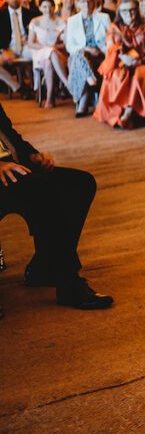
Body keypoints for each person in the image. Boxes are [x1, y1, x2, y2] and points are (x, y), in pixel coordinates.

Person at [0, 101, 113, 310]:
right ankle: (68, 282)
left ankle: (45, 265)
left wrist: (32, 156)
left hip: (12, 172)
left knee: (80, 184)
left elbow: (8, 136)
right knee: (44, 191)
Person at [94, 0, 145, 128]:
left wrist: (138, 60)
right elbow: (111, 47)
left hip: (141, 62)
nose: (128, 14)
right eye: (124, 11)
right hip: (120, 62)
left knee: (141, 74)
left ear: (137, 10)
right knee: (118, 76)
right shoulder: (114, 27)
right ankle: (119, 112)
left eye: (132, 10)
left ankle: (128, 111)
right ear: (119, 12)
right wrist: (123, 57)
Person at [65, 0, 111, 117]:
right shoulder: (72, 21)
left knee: (79, 61)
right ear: (78, 3)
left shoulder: (103, 17)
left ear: (93, 2)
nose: (86, 4)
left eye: (89, 0)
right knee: (79, 56)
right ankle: (90, 78)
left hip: (100, 55)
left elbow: (110, 40)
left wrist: (103, 50)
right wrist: (88, 49)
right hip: (81, 54)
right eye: (83, 1)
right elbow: (70, 46)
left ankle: (82, 104)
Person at [24, 0, 70, 108]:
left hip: (58, 53)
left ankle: (50, 98)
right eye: (44, 6)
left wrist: (53, 47)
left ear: (54, 7)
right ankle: (66, 84)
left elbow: (66, 44)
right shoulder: (35, 22)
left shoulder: (62, 22)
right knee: (48, 56)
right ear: (40, 8)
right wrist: (46, 47)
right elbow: (30, 43)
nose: (47, 9)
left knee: (50, 56)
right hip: (40, 52)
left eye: (50, 6)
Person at [1, 0, 38, 96]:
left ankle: (37, 87)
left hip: (27, 46)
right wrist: (3, 50)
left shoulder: (31, 13)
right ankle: (17, 87)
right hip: (9, 48)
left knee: (40, 57)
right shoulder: (1, 15)